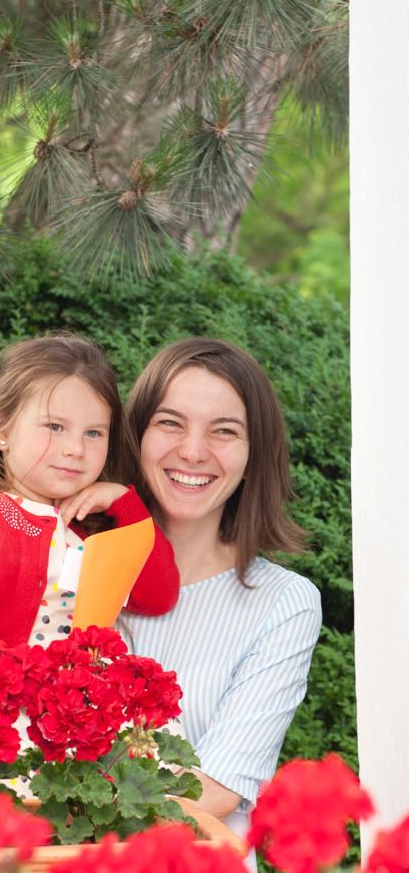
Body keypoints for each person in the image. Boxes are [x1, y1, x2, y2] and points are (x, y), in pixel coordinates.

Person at [0, 332, 179, 727]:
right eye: (55, 426)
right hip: (2, 717)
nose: (76, 448)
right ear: (1, 428)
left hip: (82, 719)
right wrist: (21, 673)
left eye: (94, 433)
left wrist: (127, 505)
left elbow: (158, 595)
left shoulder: (95, 530)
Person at [120, 338, 322, 836]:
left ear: (254, 455)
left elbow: (213, 790)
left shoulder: (283, 604)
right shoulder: (75, 571)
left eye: (224, 431)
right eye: (170, 422)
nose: (192, 451)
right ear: (136, 437)